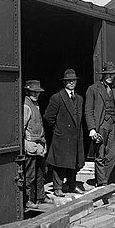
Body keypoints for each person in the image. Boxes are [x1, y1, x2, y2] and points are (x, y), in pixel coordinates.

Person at [43, 69, 85, 197]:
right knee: (59, 163)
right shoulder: (57, 98)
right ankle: (57, 187)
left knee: (74, 162)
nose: (71, 83)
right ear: (64, 82)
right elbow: (48, 117)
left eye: (73, 80)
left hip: (75, 135)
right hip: (62, 136)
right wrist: (58, 129)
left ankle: (71, 185)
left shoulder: (79, 98)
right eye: (69, 81)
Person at [21, 80, 48, 209]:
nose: (35, 94)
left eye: (37, 92)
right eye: (33, 92)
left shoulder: (35, 105)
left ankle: (40, 197)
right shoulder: (26, 106)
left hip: (39, 144)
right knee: (30, 174)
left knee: (40, 173)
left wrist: (44, 142)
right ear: (27, 92)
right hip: (31, 144)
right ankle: (28, 199)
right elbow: (22, 127)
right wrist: (25, 143)